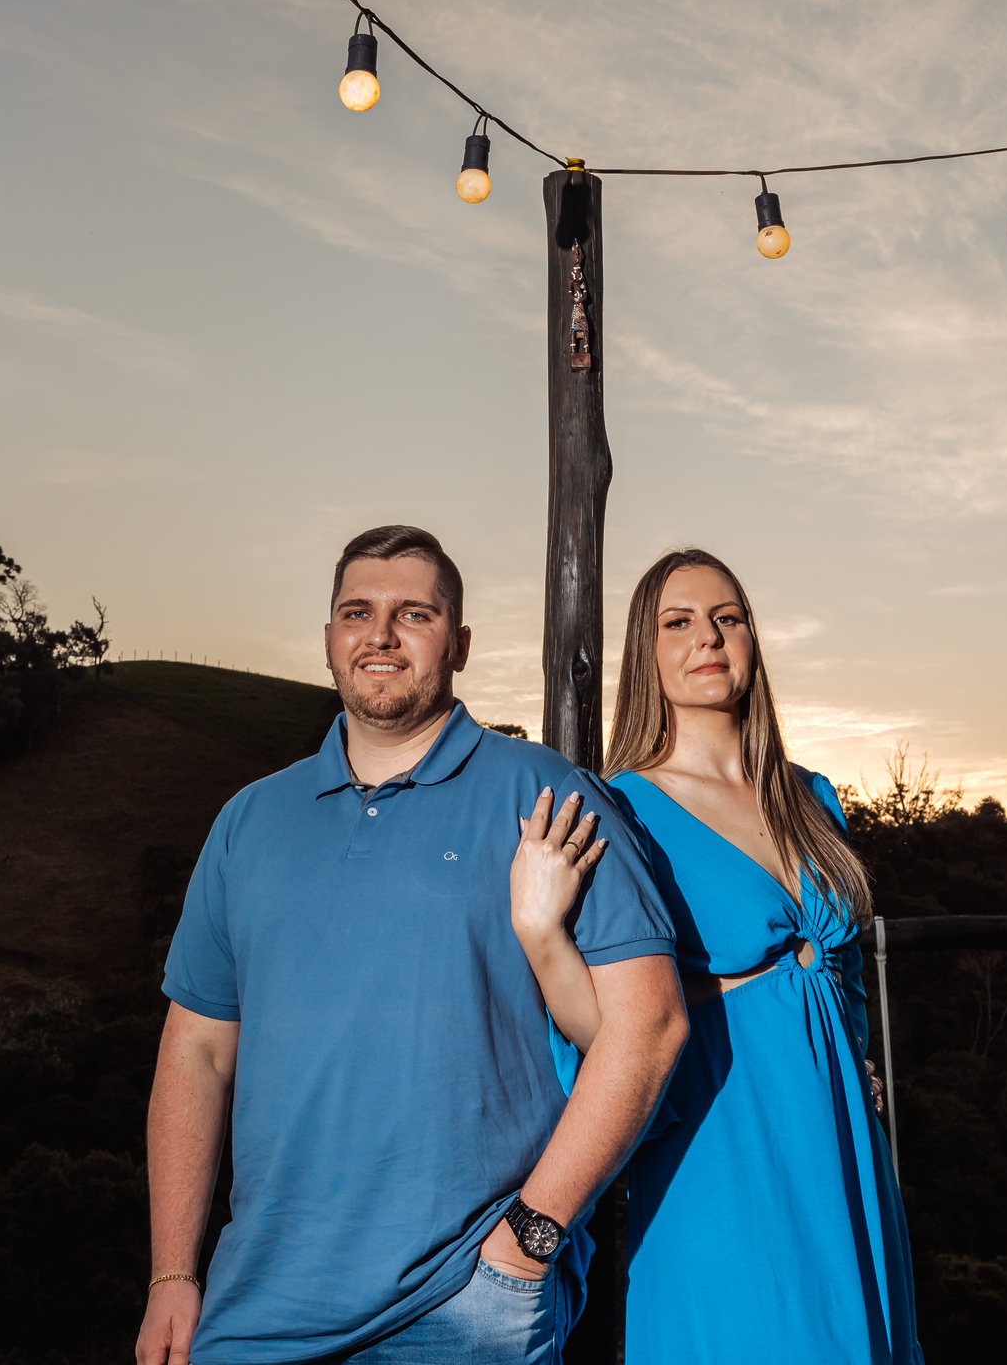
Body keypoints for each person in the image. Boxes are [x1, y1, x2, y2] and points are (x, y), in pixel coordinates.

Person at [136, 524, 688, 1365]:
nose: (382, 635)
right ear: (329, 637)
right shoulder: (249, 821)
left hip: (461, 1304)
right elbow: (197, 1053)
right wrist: (172, 1274)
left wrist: (531, 1239)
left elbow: (650, 1027)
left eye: (414, 614)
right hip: (255, 1312)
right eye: (357, 612)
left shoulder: (545, 791)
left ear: (458, 643)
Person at [510, 547, 924, 1365]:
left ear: (752, 640)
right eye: (679, 622)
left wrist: (859, 1062)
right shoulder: (621, 809)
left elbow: (841, 982)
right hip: (719, 1139)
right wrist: (541, 934)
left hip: (841, 1139)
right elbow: (608, 1032)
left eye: (726, 618)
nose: (708, 636)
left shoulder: (812, 798)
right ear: (647, 653)